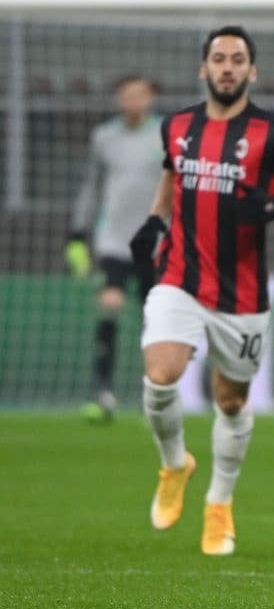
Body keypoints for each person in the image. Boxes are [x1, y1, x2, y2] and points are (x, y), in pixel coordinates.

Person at [128, 26, 274, 555]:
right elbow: (172, 176)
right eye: (219, 58)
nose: (228, 67)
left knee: (231, 401)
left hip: (241, 295)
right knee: (161, 374)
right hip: (180, 277)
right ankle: (174, 464)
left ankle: (219, 502)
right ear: (204, 68)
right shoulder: (177, 126)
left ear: (251, 71)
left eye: (238, 59)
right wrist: (155, 220)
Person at [66, 76, 163, 422]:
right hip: (113, 240)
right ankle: (103, 391)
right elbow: (91, 187)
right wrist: (77, 234)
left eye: (139, 94)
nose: (133, 101)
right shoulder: (104, 137)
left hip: (154, 242)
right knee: (110, 304)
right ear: (119, 99)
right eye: (126, 95)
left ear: (150, 98)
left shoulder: (166, 135)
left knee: (154, 319)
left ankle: (152, 393)